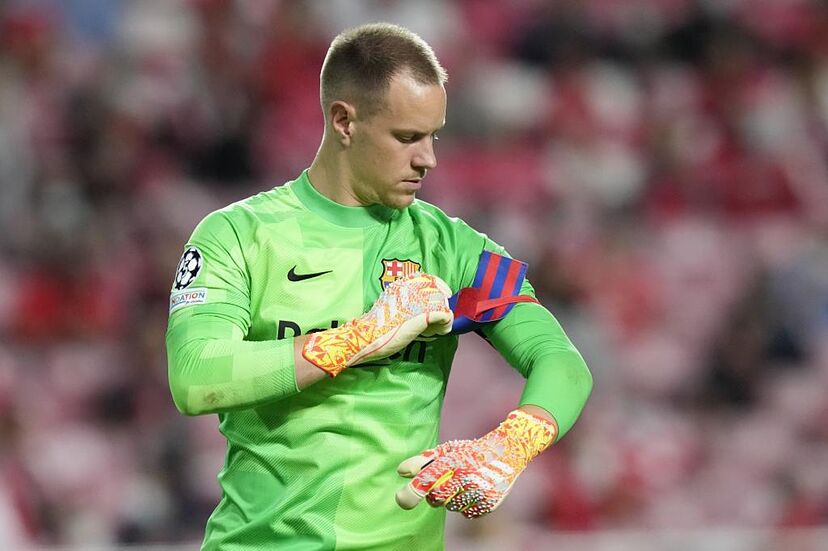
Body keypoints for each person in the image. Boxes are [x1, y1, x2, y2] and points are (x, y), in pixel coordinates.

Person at [166, 22, 592, 550]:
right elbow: (193, 375)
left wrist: (507, 449)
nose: (427, 159)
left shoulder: (452, 250)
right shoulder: (239, 234)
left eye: (434, 136)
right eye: (407, 138)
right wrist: (360, 338)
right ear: (344, 120)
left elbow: (561, 361)